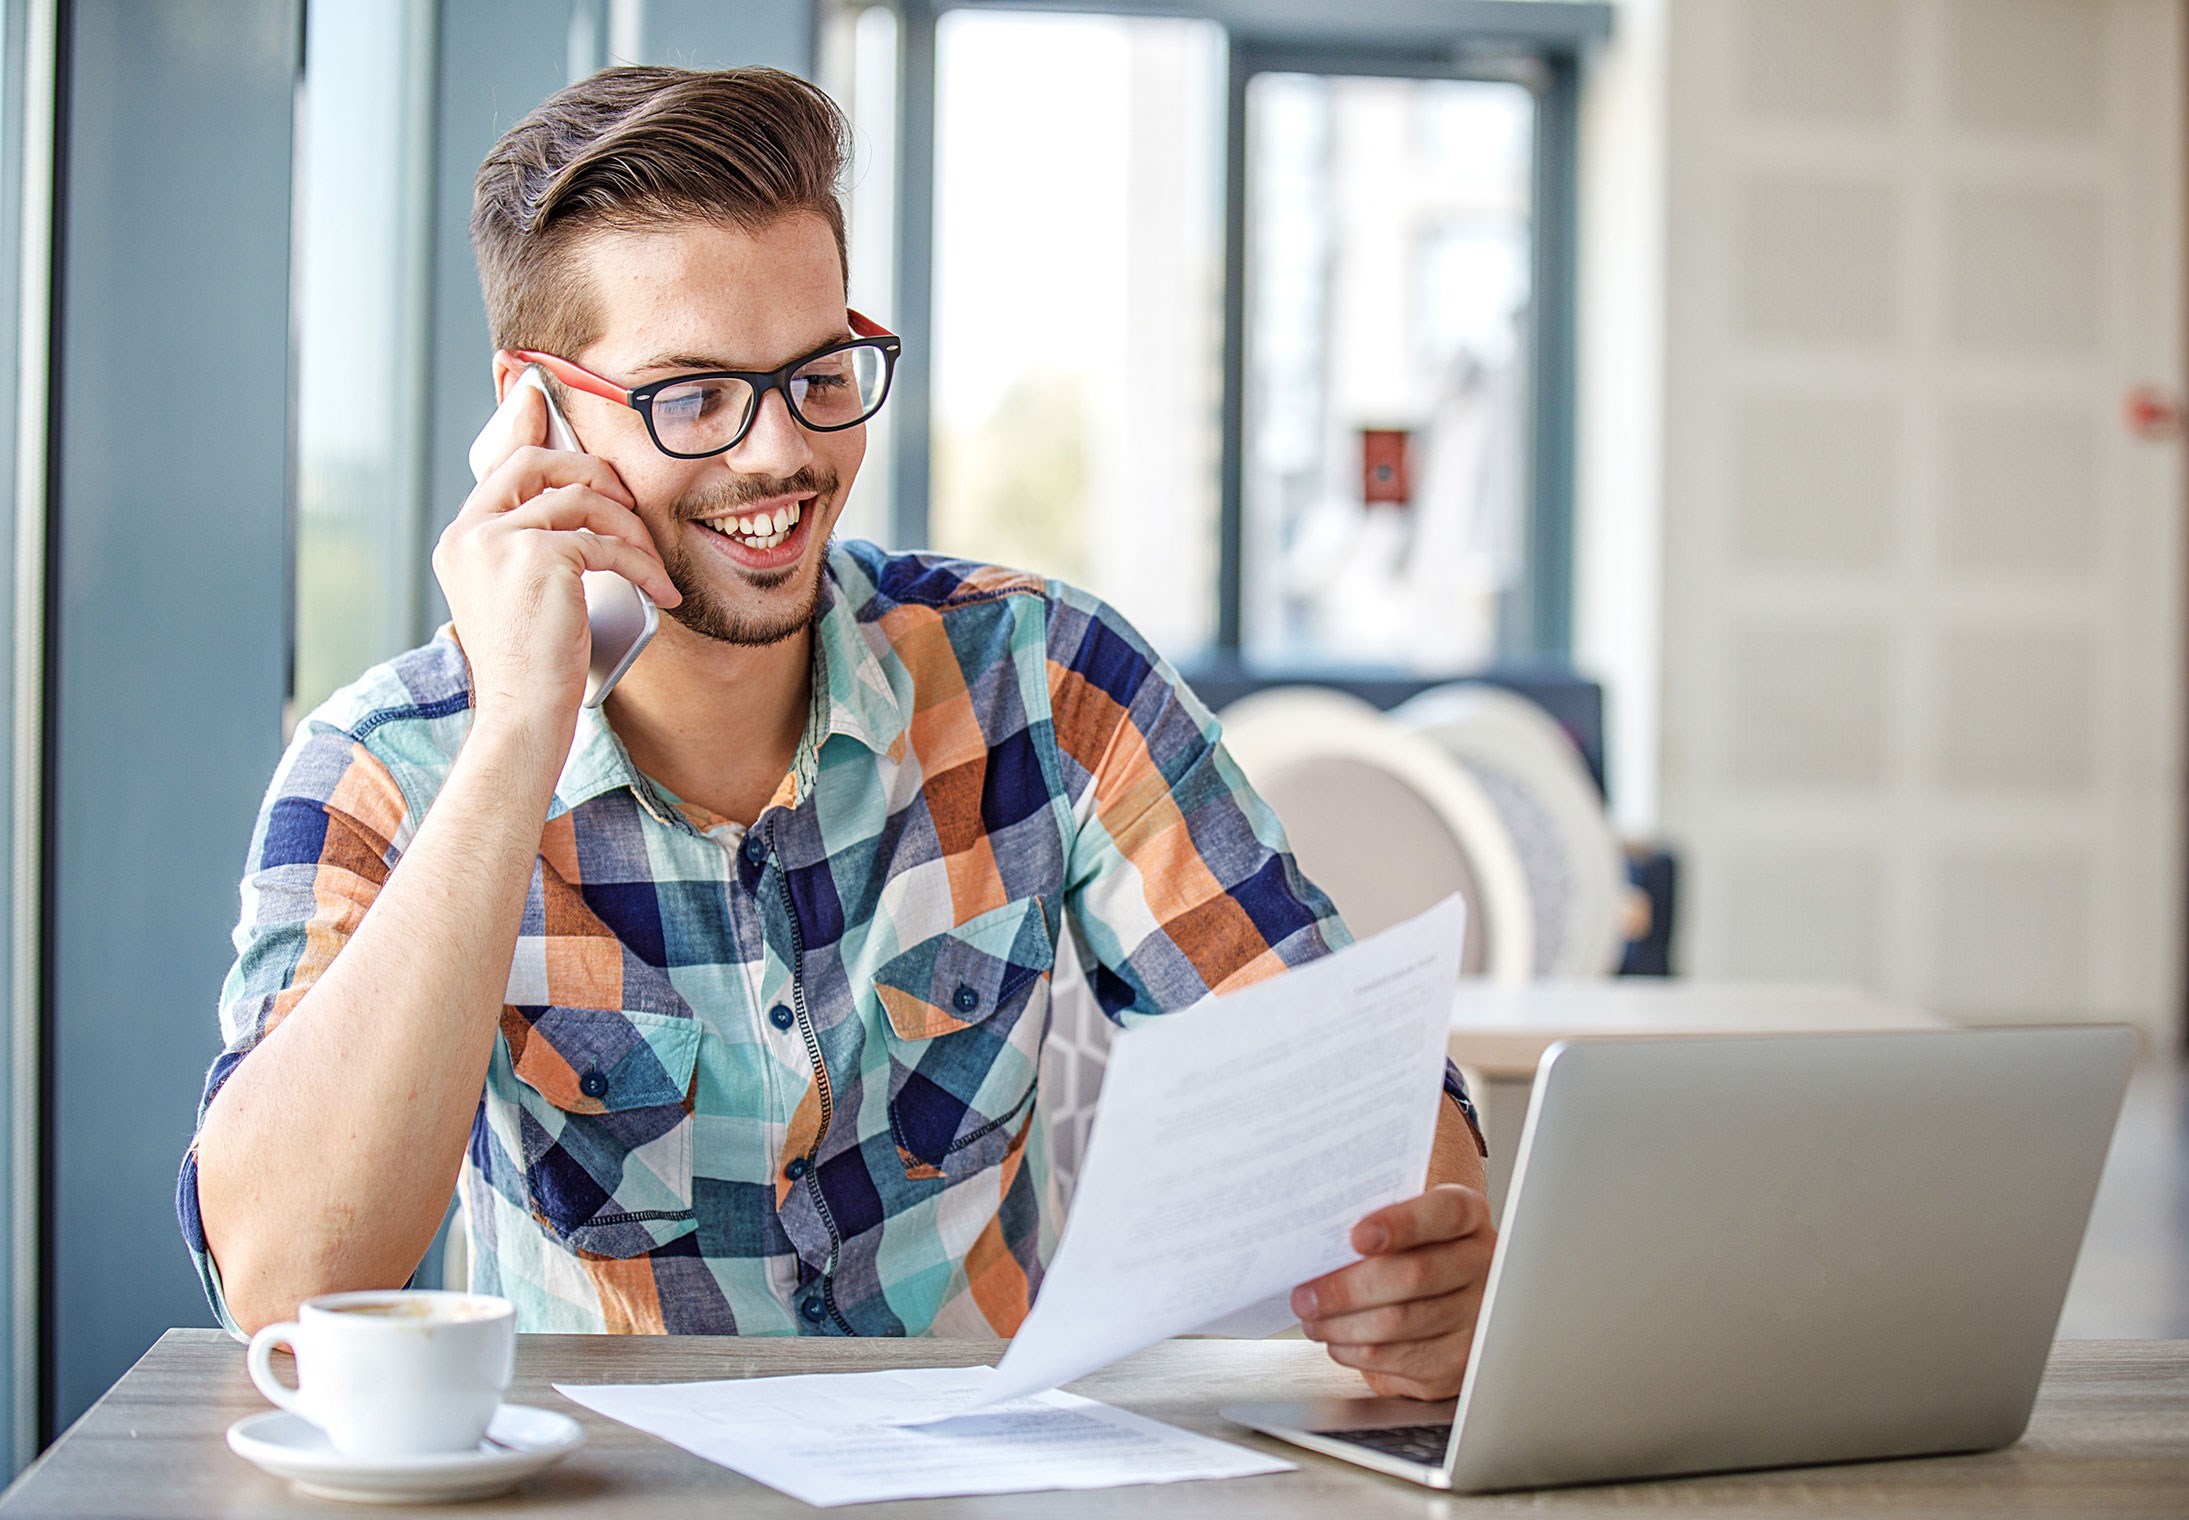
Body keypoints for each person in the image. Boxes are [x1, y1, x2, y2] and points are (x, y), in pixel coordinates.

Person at [177, 65, 1495, 1401]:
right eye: (692, 395)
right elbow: (281, 1276)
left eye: (818, 373)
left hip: (978, 1483)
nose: (781, 456)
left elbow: (1357, 1082)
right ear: (538, 410)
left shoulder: (1041, 679)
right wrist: (522, 725)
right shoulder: (386, 770)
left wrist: (1433, 1240)